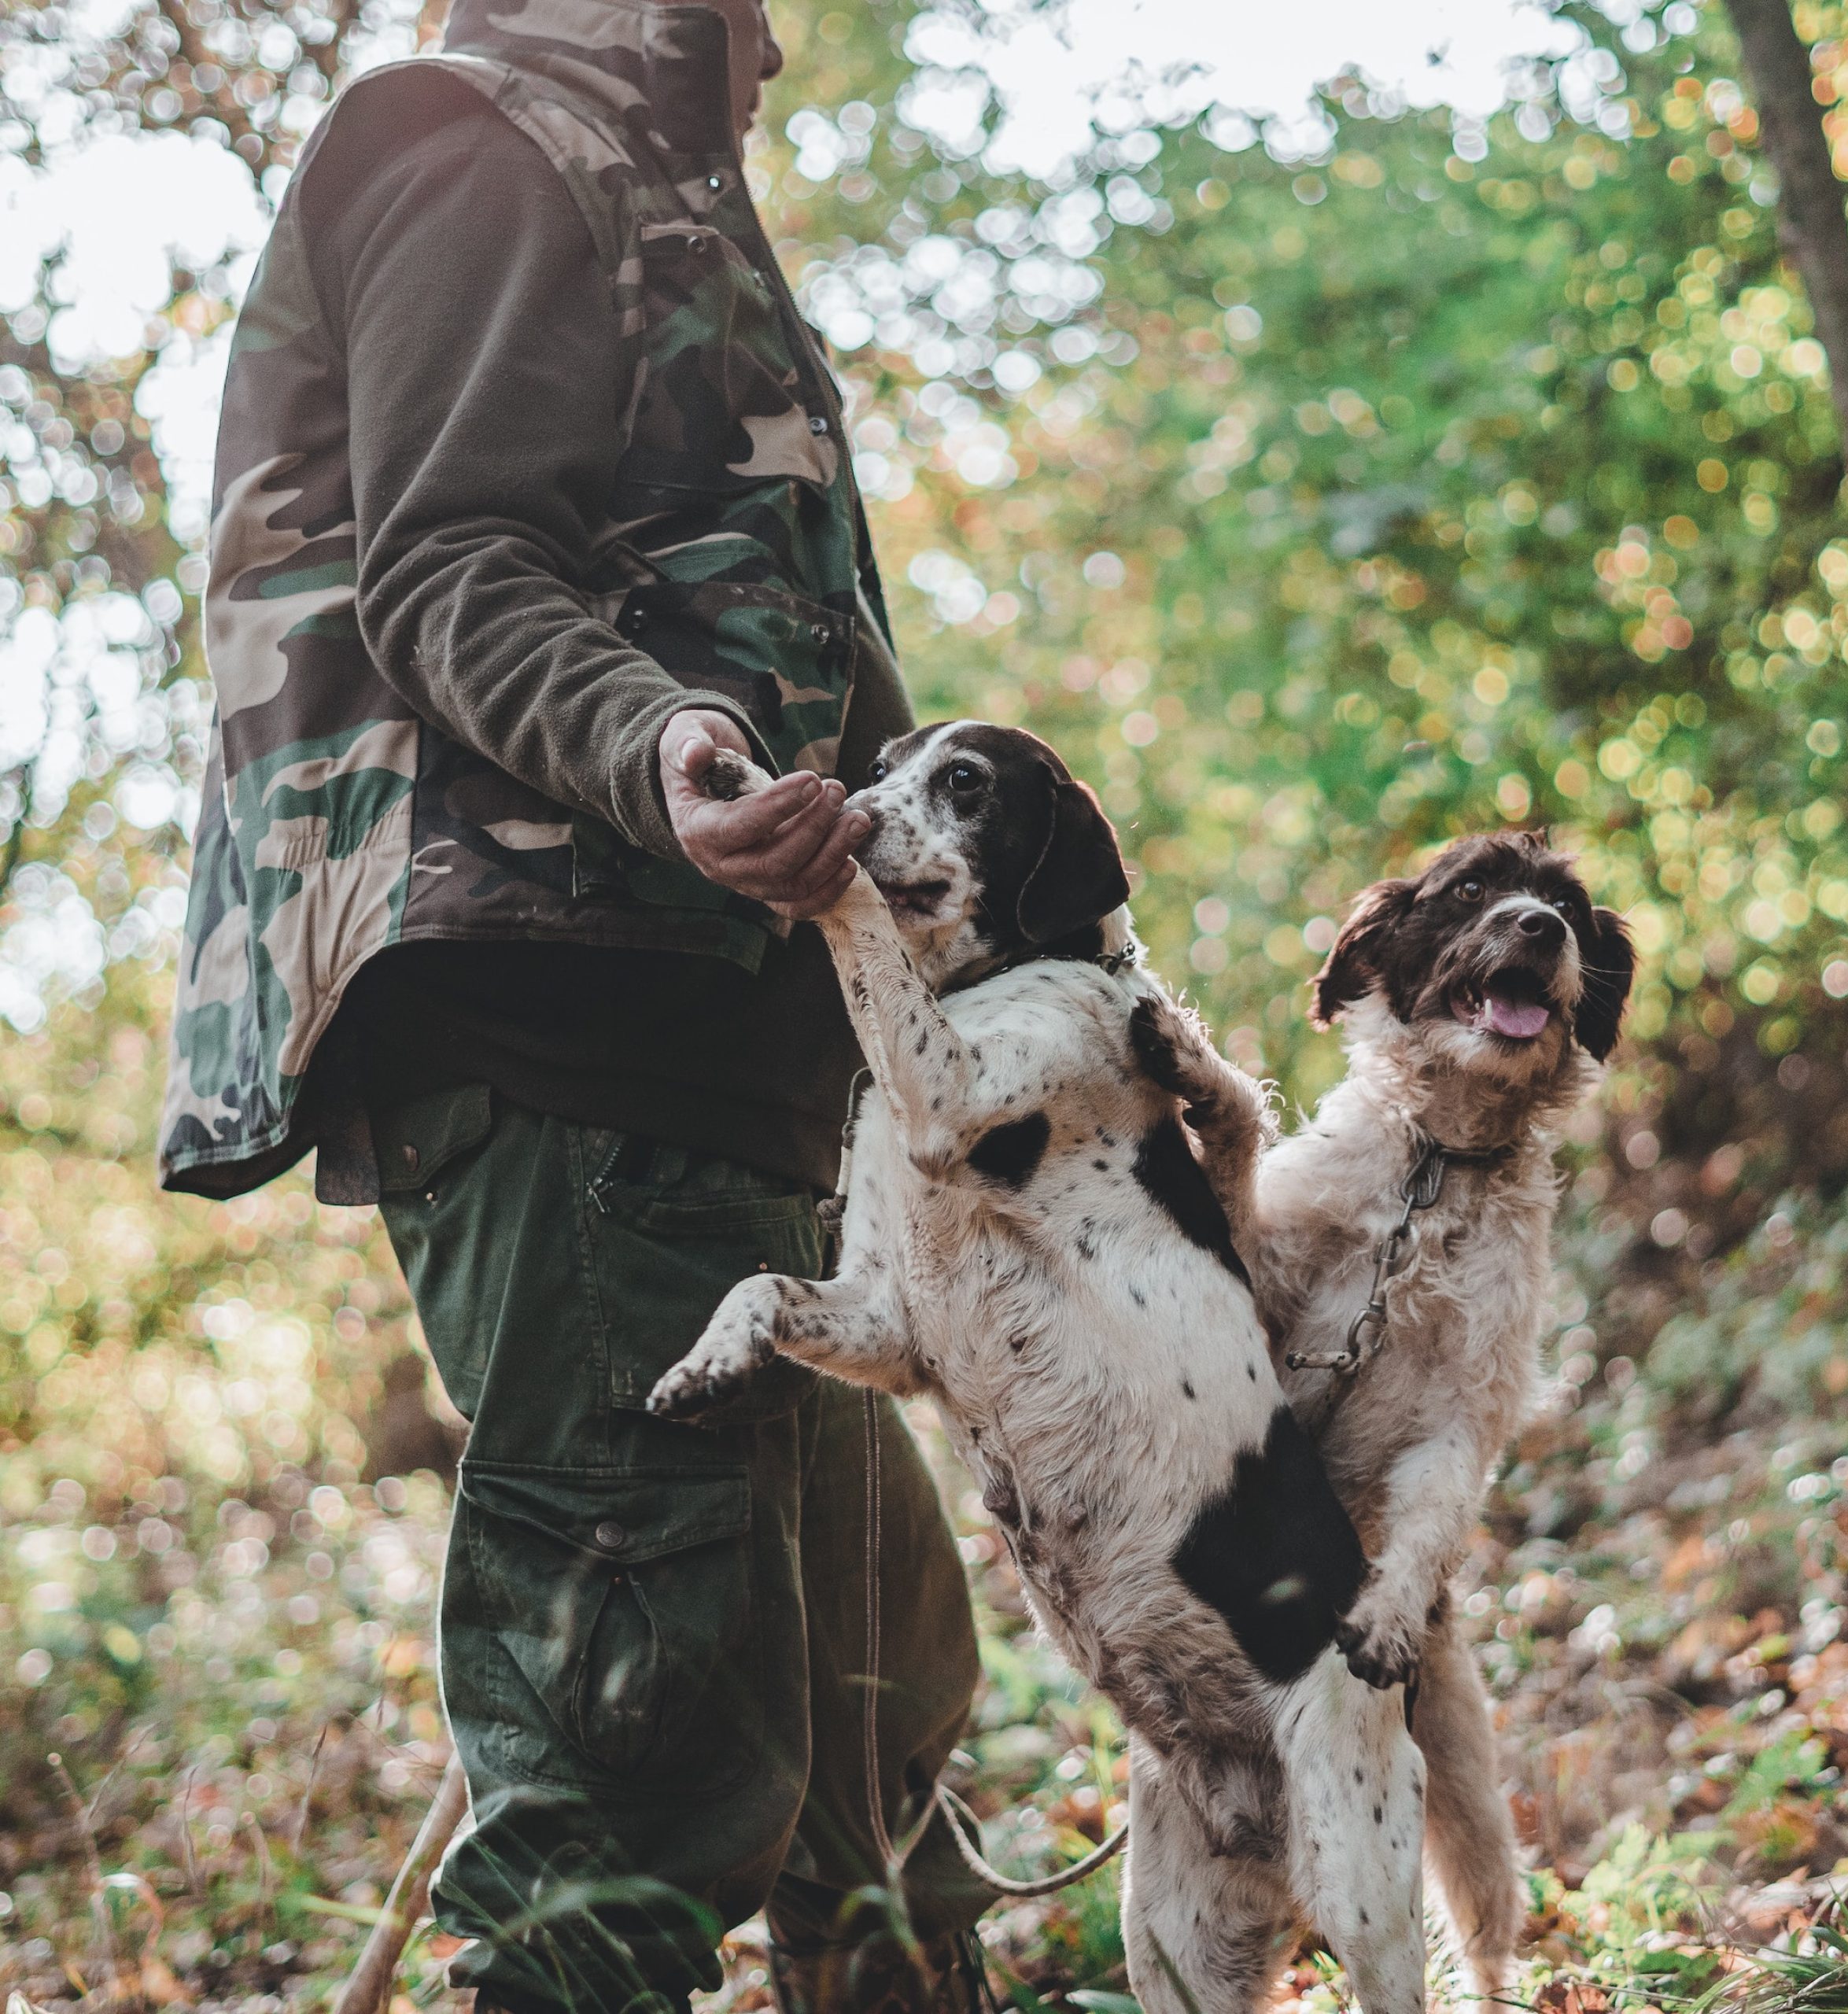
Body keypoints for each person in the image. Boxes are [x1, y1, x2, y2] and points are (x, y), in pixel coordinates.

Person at [157, 0, 989, 2006]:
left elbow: (814, 658)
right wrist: (667, 747)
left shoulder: (654, 189)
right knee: (639, 1787)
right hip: (576, 1041)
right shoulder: (467, 139)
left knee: (876, 1747)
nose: (779, 49)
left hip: (733, 1079)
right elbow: (447, 564)